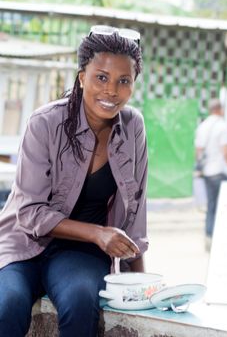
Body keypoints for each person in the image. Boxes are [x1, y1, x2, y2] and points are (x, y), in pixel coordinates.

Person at [0, 25, 148, 337]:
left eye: (124, 81)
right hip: (23, 243)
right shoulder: (45, 123)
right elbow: (29, 213)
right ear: (82, 77)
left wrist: (143, 286)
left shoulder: (133, 126)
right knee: (7, 304)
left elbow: (135, 212)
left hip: (80, 254)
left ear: (134, 85)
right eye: (101, 77)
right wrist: (98, 233)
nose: (111, 90)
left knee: (80, 301)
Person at [195, 98, 227, 248]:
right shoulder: (223, 126)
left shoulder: (202, 126)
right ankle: (219, 239)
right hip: (220, 171)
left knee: (211, 205)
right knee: (222, 207)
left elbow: (198, 151)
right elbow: (225, 152)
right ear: (220, 110)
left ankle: (209, 236)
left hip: (207, 173)